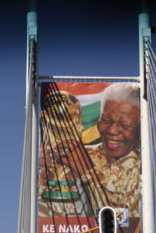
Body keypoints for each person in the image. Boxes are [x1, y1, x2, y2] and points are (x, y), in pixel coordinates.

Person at [51, 82, 141, 217]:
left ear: (140, 128)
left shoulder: (141, 170)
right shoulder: (81, 155)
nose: (112, 130)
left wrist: (86, 172)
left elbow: (123, 221)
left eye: (125, 125)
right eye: (106, 120)